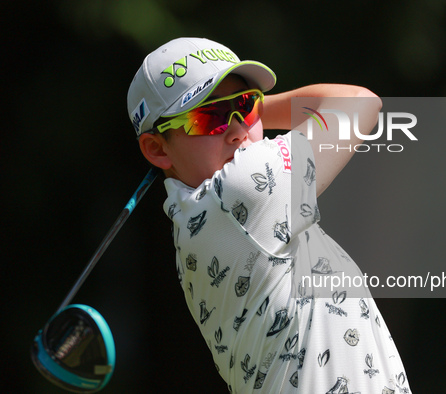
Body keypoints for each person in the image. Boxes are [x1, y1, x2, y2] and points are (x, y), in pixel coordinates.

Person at [128, 37, 411, 394]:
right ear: (156, 148)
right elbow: (359, 103)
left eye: (245, 106)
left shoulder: (194, 220)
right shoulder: (242, 190)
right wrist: (259, 108)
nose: (238, 130)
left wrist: (239, 109)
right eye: (208, 116)